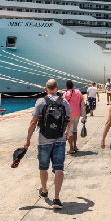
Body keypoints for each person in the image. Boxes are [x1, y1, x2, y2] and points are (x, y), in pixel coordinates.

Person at [24, 79, 72, 210]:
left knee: (43, 167)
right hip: (60, 140)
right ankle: (57, 198)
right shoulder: (64, 101)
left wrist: (28, 139)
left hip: (43, 140)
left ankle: (44, 190)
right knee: (59, 168)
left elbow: (33, 122)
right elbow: (70, 120)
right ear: (57, 88)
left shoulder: (41, 101)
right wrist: (67, 133)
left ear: (46, 89)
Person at [63, 79, 85, 155]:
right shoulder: (78, 92)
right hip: (78, 113)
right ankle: (75, 146)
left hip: (69, 114)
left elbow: (63, 104)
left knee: (70, 131)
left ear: (66, 86)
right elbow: (83, 101)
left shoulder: (66, 94)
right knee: (75, 129)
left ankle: (71, 149)